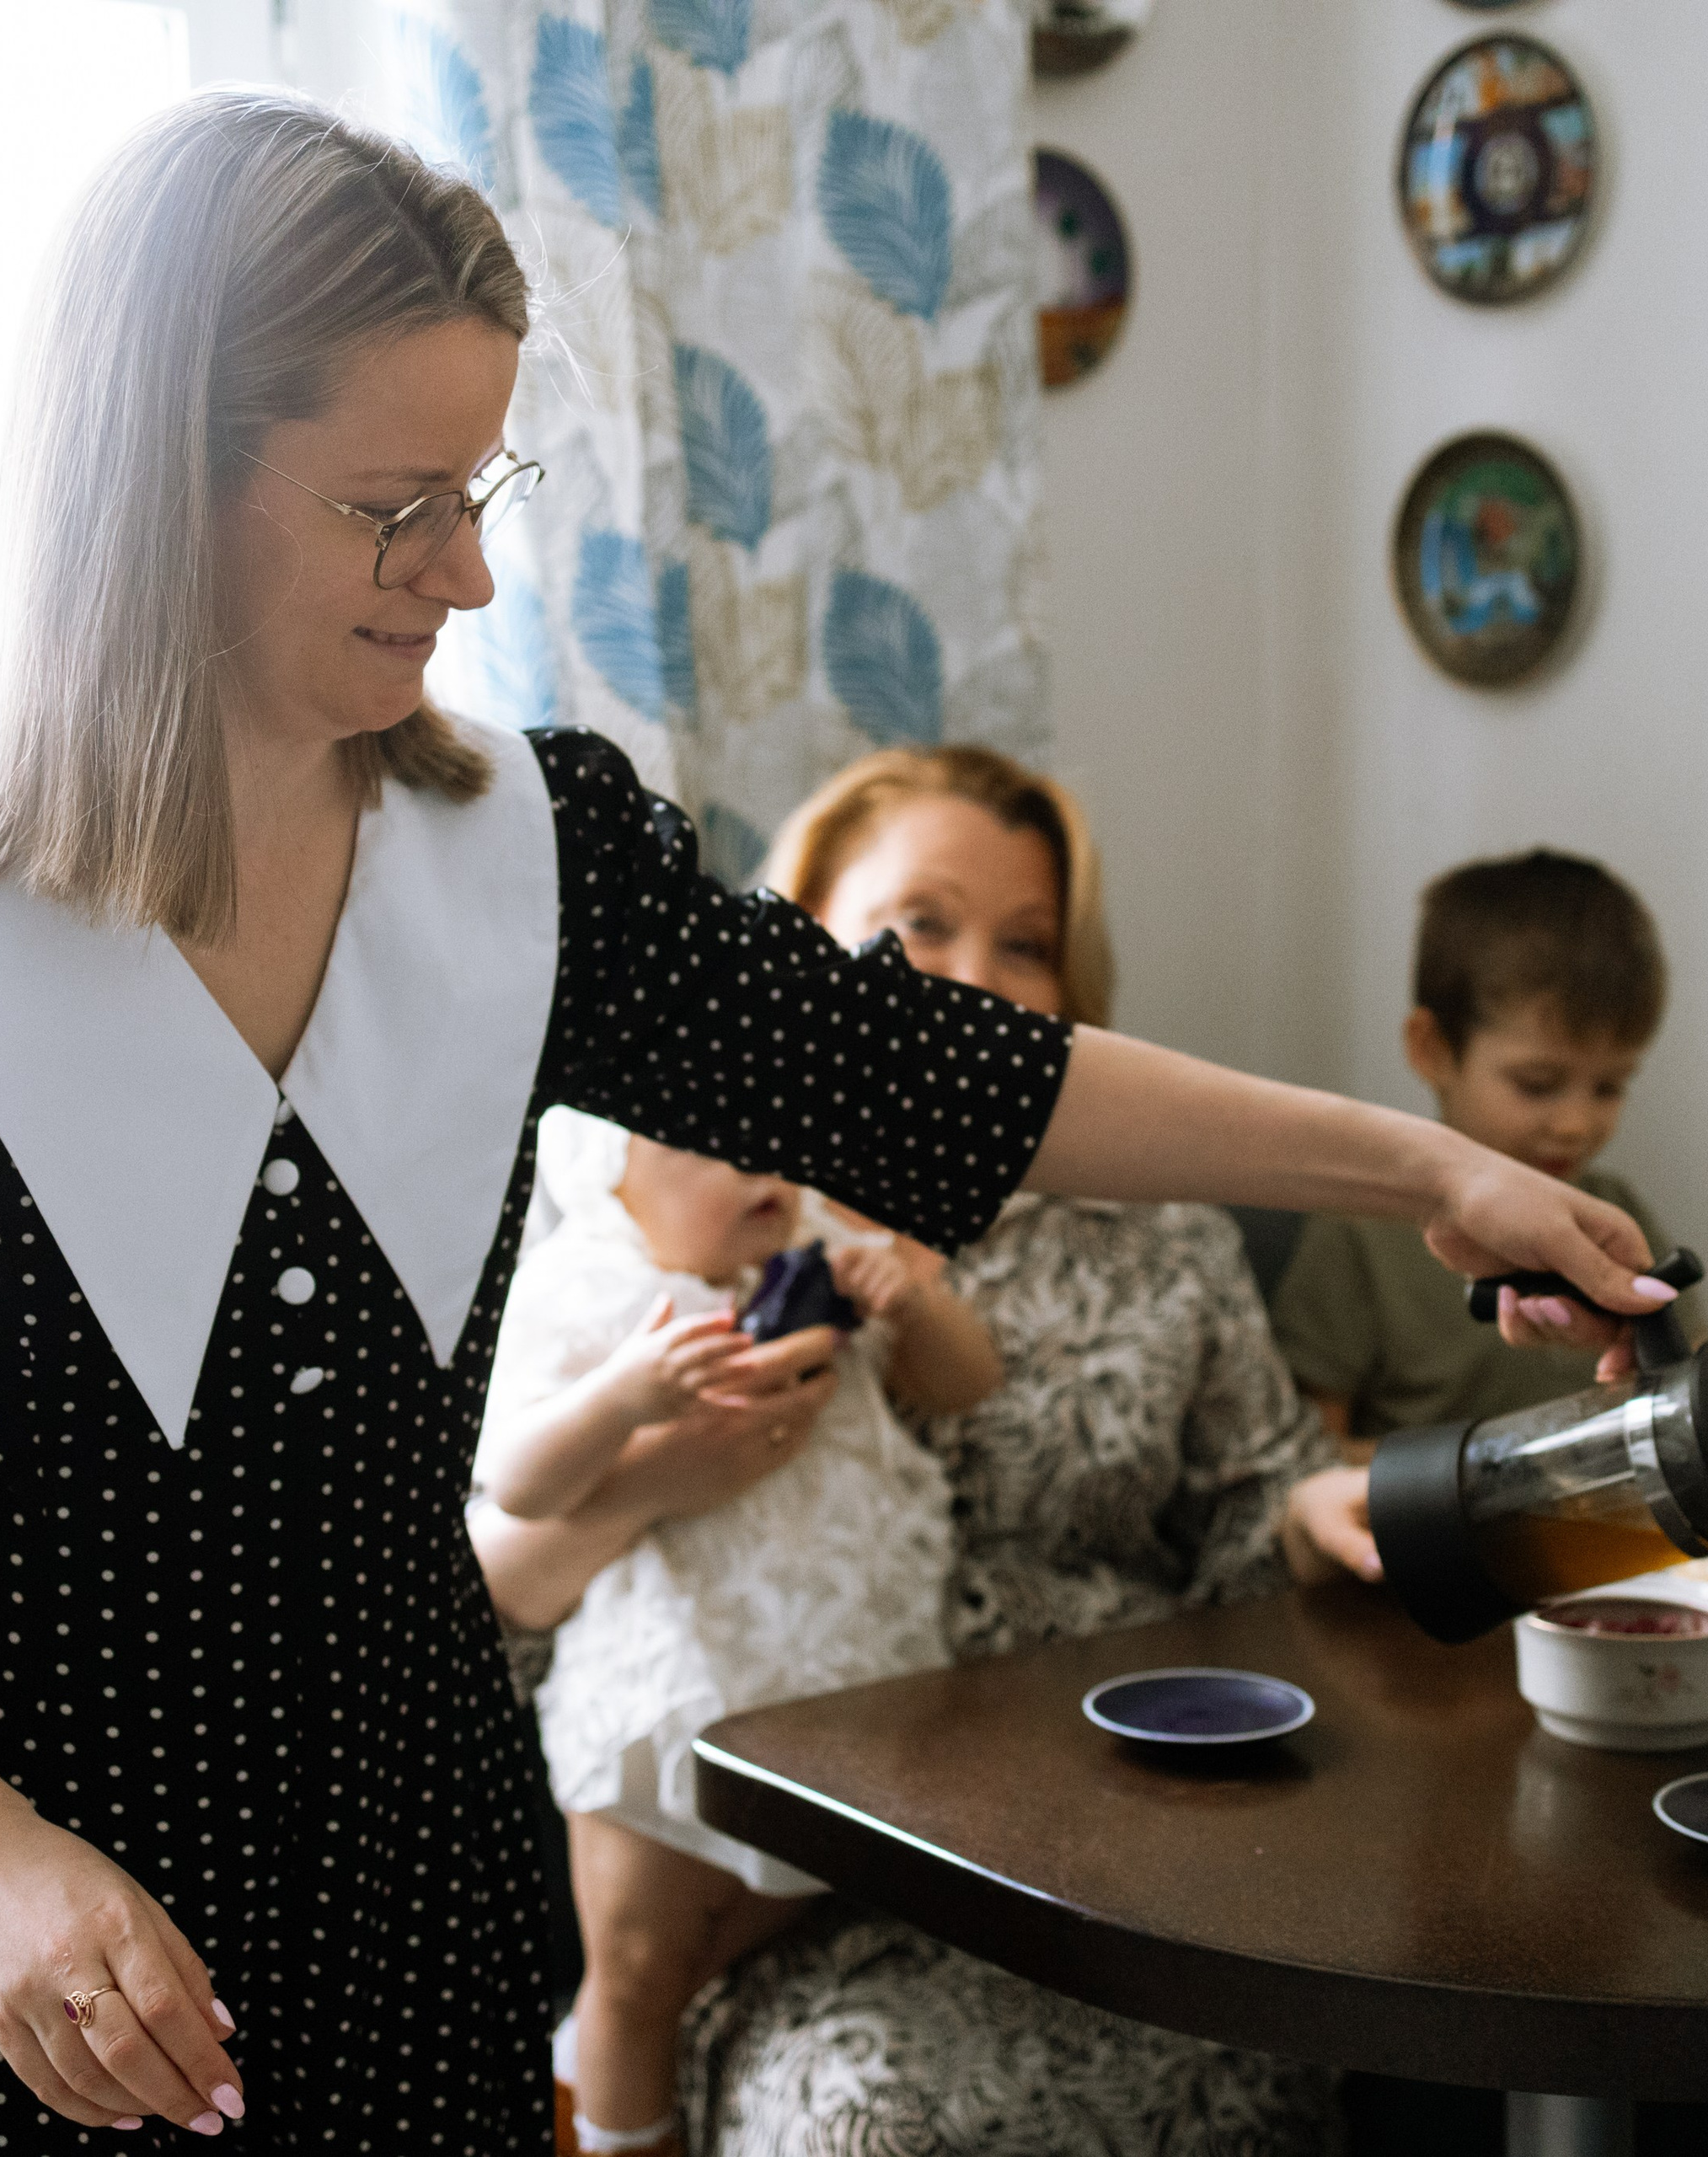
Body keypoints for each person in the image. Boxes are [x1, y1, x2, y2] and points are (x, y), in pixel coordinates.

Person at [0, 92, 1672, 2156]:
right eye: (390, 503)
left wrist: (1431, 1162)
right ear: (151, 479)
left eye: (483, 481)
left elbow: (958, 1076)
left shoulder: (524, 858)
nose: (463, 565)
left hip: (414, 1938)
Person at [655, 745, 1366, 2154]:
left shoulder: (1166, 1239)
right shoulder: (682, 1213)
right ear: (793, 944)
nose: (973, 975)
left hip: (1132, 1874)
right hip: (806, 1890)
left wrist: (1321, 1510)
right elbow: (524, 1572)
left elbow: (1257, 1527)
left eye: (1025, 943)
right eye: (919, 922)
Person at [471, 1113, 999, 2156]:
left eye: (775, 1139)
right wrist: (624, 1398)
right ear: (614, 1175)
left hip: (837, 1685)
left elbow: (968, 1383)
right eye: (712, 1147)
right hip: (664, 1691)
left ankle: (600, 2068)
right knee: (634, 1967)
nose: (764, 1166)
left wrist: (917, 1300)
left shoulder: (822, 1247)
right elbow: (521, 1482)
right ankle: (618, 2125)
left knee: (766, 1906)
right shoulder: (583, 1284)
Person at [1269, 849, 1708, 1512]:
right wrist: (1516, 1475)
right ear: (1432, 1050)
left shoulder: (1612, 1211)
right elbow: (1310, 1457)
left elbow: (1697, 1386)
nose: (1576, 1123)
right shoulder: (1360, 1233)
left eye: (1609, 1086)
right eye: (1537, 1084)